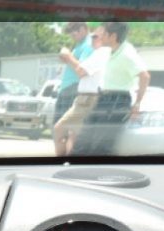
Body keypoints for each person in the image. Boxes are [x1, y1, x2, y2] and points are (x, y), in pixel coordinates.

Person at [73, 22, 151, 156]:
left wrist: (137, 104)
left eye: (103, 34)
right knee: (83, 141)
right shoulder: (109, 50)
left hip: (117, 101)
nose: (100, 37)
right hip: (103, 98)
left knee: (101, 146)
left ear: (113, 36)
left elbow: (145, 76)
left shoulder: (127, 54)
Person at [53, 26, 111, 156]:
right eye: (92, 36)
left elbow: (81, 71)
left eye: (95, 36)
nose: (92, 39)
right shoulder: (98, 52)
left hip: (88, 98)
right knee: (73, 135)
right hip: (84, 97)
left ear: (105, 38)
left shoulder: (103, 52)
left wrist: (68, 56)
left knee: (59, 129)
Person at [53, 23, 93, 128]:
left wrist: (68, 56)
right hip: (67, 88)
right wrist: (66, 59)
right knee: (59, 126)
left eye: (74, 31)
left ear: (84, 28)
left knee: (62, 128)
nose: (72, 35)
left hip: (73, 88)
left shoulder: (88, 45)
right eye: (70, 32)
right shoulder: (80, 44)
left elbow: (83, 69)